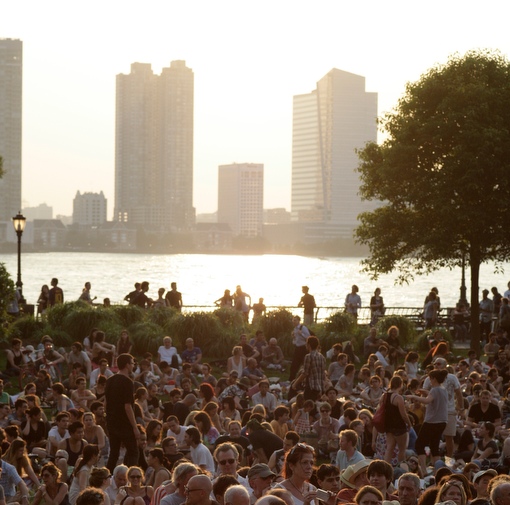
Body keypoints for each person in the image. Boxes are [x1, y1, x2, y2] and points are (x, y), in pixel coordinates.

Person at [406, 368, 449, 475]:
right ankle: (437, 470)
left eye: (430, 378)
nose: (429, 381)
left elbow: (427, 400)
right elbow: (433, 396)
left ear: (433, 379)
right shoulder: (443, 389)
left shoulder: (434, 390)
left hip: (432, 421)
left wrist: (413, 396)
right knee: (434, 446)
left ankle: (423, 470)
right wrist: (425, 392)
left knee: (419, 445)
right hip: (442, 421)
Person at [105, 354, 140, 471]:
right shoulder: (128, 382)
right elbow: (128, 406)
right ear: (127, 365)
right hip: (124, 423)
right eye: (132, 363)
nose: (133, 365)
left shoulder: (109, 380)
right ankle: (131, 477)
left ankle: (106, 477)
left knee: (114, 454)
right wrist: (135, 427)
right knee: (133, 452)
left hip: (111, 422)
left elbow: (106, 403)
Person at [381, 375, 411, 464]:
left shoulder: (384, 396)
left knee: (389, 448)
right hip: (399, 426)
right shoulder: (398, 397)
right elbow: (403, 414)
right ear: (400, 385)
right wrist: (409, 423)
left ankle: (385, 467)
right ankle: (401, 467)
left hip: (388, 425)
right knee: (402, 449)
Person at [293, 336, 326, 401]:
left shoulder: (308, 356)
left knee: (308, 406)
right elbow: (323, 374)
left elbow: (305, 373)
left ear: (309, 345)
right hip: (319, 387)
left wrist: (295, 384)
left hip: (311, 387)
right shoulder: (322, 357)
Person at [289, 316, 310, 382]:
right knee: (294, 364)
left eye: (295, 320)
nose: (294, 322)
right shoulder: (295, 329)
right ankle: (291, 379)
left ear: (298, 320)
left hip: (303, 348)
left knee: (305, 364)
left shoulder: (303, 328)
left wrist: (302, 334)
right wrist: (293, 338)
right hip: (297, 348)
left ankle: (305, 379)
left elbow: (308, 337)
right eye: (293, 320)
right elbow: (296, 340)